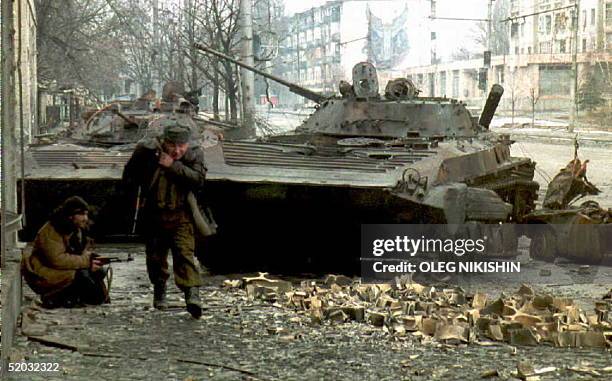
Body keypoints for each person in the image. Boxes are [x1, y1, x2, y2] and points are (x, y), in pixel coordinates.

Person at [122, 119, 206, 318]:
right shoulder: (147, 152)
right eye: (172, 145)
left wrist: (173, 165)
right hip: (153, 213)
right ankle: (159, 291)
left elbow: (199, 180)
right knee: (155, 257)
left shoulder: (194, 154)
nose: (177, 150)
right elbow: (129, 177)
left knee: (185, 253)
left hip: (181, 213)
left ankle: (192, 295)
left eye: (181, 146)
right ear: (164, 141)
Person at [21, 196, 109, 308]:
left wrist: (92, 258)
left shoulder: (75, 229)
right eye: (81, 214)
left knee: (98, 275)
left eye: (86, 214)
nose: (85, 218)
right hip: (43, 273)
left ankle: (71, 297)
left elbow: (77, 253)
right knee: (83, 279)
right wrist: (87, 262)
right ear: (70, 216)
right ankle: (54, 296)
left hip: (59, 269)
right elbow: (57, 260)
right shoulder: (51, 230)